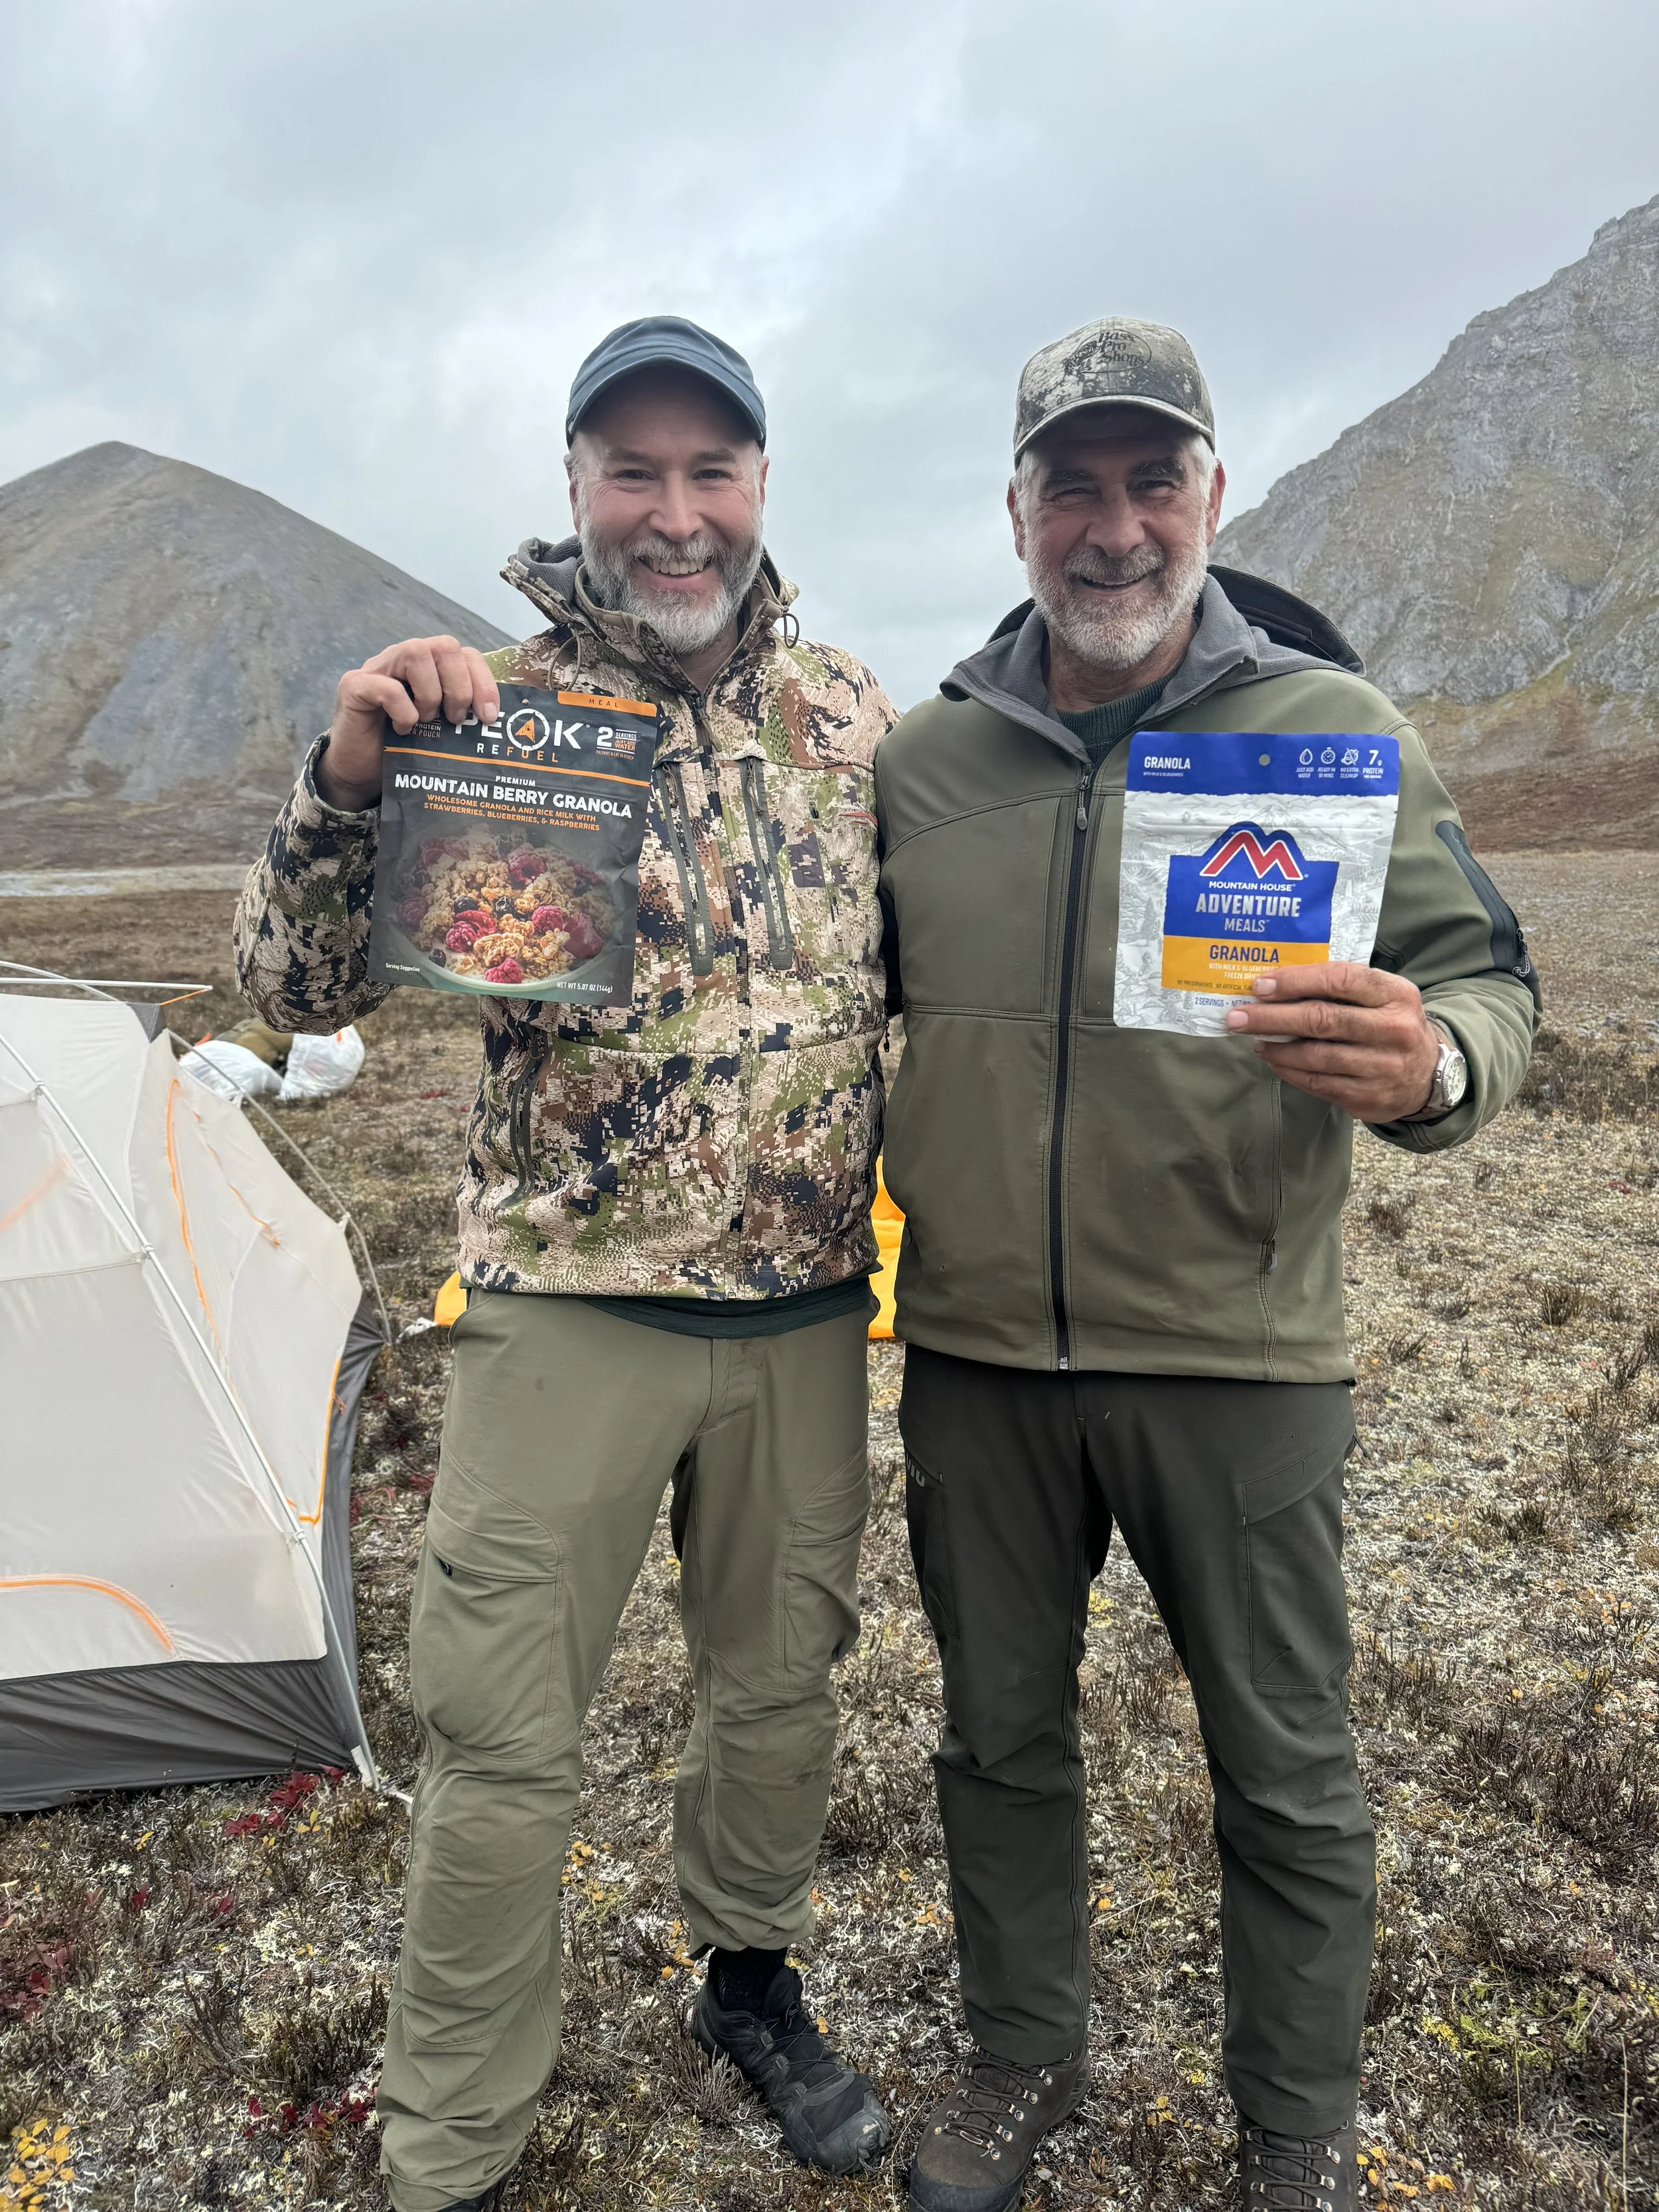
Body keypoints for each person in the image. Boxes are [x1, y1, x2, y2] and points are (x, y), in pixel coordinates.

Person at [873, 318, 1539, 2212]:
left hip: (1241, 1358)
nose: (1111, 527)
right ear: (1013, 513)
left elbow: (1491, 981)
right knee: (995, 1738)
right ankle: (1019, 2058)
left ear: (1213, 495)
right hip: (981, 1359)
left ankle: (1293, 2131)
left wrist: (1437, 1063)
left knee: (1288, 1768)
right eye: (1068, 485)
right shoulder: (924, 764)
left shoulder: (1333, 735)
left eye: (1148, 479)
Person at [235, 317, 897, 2212]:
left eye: (711, 471)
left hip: (799, 1314)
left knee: (777, 1690)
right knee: (502, 1727)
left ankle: (746, 1979)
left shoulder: (856, 724)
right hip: (561, 1312)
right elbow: (294, 998)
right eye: (633, 471)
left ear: (760, 485)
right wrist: (349, 779)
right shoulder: (483, 710)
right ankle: (449, 2141)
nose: (673, 514)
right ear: (575, 485)